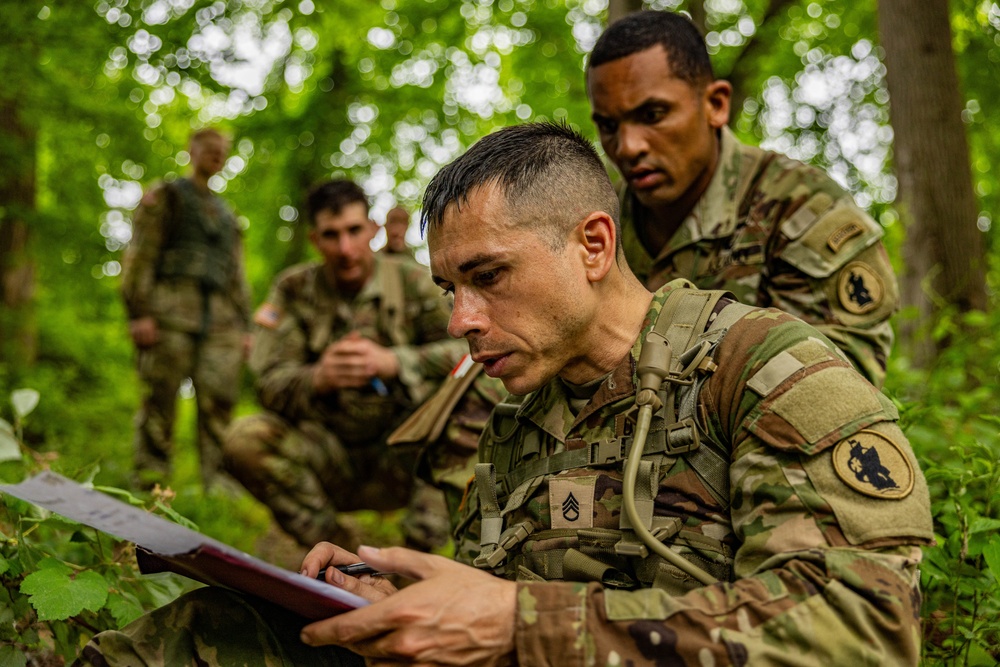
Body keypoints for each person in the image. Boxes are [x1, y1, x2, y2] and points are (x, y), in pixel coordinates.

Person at [79, 123, 931, 666]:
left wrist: (522, 625)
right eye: (450, 287)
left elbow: (864, 629)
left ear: (594, 243)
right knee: (221, 627)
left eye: (488, 278)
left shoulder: (768, 371)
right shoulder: (518, 412)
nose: (460, 318)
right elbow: (494, 591)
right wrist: (403, 595)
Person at [586, 11, 899, 387]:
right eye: (608, 126)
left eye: (653, 114)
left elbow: (838, 383)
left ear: (716, 105)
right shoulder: (598, 221)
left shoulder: (801, 208)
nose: (628, 146)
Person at [221, 179, 466, 551]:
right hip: (327, 455)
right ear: (315, 240)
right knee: (244, 440)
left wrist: (393, 362)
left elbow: (469, 353)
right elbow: (267, 384)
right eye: (331, 235)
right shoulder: (292, 290)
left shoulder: (413, 280)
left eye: (354, 231)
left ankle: (415, 562)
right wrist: (318, 378)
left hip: (406, 450)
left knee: (480, 399)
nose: (346, 248)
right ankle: (338, 552)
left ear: (372, 229)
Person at [120, 127, 251, 491]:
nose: (216, 155)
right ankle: (149, 486)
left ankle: (219, 491)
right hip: (168, 318)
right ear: (191, 150)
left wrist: (246, 329)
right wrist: (139, 312)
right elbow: (140, 256)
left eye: (222, 151)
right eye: (209, 148)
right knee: (159, 404)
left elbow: (237, 276)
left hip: (221, 324)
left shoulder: (227, 216)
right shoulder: (167, 197)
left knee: (219, 406)